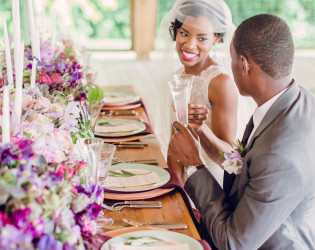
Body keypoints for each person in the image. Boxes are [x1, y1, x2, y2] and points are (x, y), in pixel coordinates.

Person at [169, 14, 315, 249]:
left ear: (244, 65)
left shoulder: (279, 155)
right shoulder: (295, 101)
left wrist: (195, 165)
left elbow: (233, 243)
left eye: (232, 58)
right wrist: (202, 131)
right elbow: (246, 166)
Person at [160, 0, 254, 186]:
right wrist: (176, 187)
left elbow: (231, 161)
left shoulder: (220, 83)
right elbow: (175, 142)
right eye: (184, 33)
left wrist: (201, 128)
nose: (189, 45)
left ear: (216, 38)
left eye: (202, 38)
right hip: (182, 184)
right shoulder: (178, 76)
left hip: (211, 188)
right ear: (176, 30)